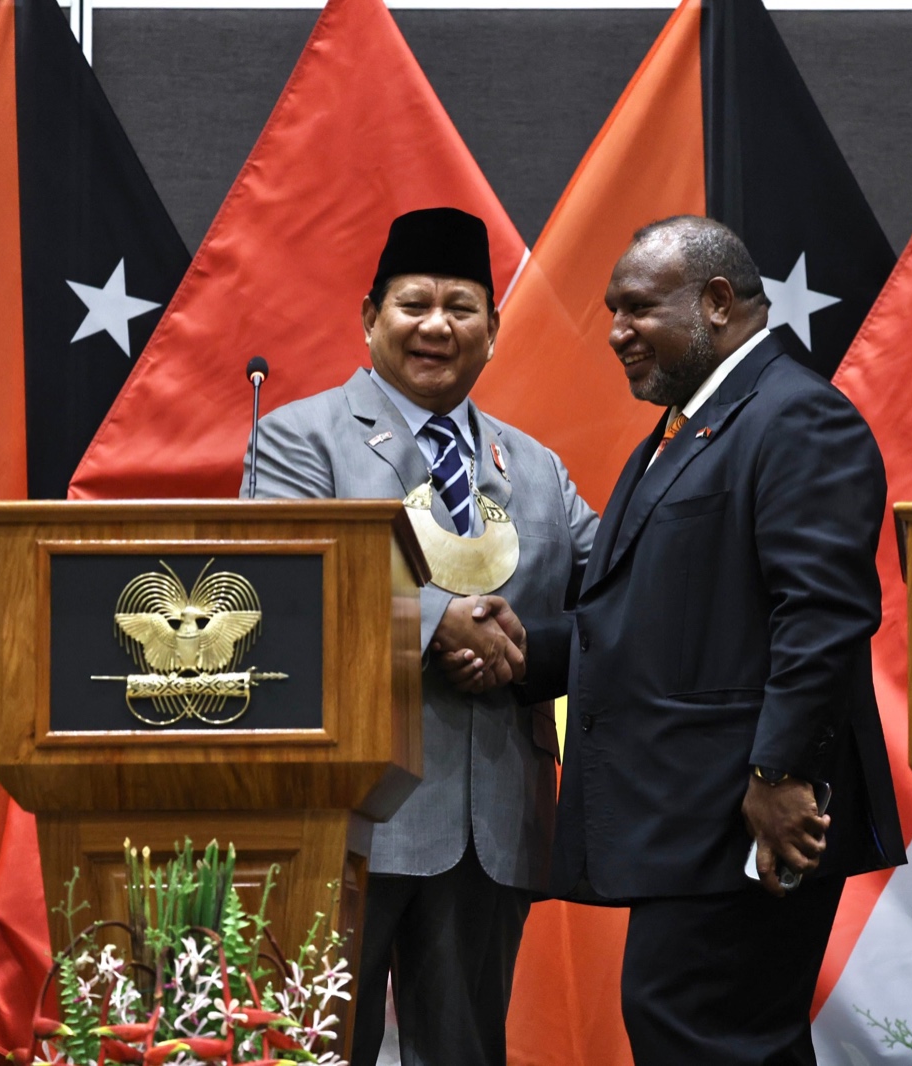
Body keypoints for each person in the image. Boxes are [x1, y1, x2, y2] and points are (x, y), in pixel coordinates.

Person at [480, 215, 907, 1063]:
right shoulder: (684, 432)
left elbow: (821, 614)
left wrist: (782, 775)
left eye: (637, 308)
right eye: (612, 312)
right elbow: (652, 625)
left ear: (716, 302)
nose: (616, 333)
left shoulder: (796, 420)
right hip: (695, 817)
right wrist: (525, 651)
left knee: (703, 1030)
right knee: (712, 1033)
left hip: (751, 812)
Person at [243, 206, 597, 1065]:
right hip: (350, 813)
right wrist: (440, 622)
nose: (436, 324)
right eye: (413, 303)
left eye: (460, 306)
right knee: (317, 1052)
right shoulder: (299, 438)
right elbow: (288, 591)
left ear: (492, 329)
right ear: (370, 318)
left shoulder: (539, 468)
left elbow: (612, 597)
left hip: (494, 824)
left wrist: (522, 652)